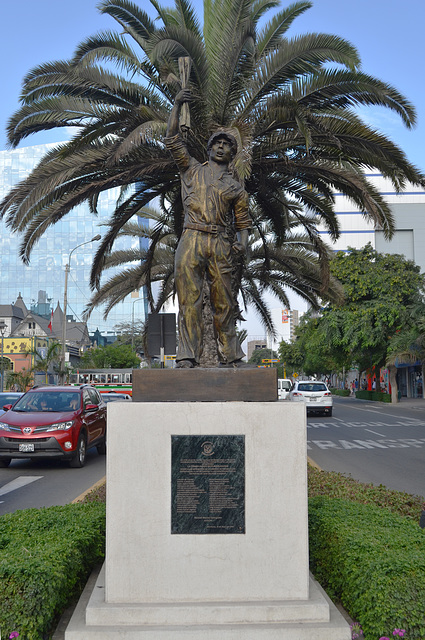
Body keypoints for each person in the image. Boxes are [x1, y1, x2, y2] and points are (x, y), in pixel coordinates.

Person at [165, 89, 252, 368]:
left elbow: (242, 223)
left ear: (232, 154)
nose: (221, 147)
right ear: (209, 148)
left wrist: (243, 242)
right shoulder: (191, 170)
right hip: (190, 236)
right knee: (188, 301)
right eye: (217, 143)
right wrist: (177, 105)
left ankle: (231, 356)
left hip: (219, 244)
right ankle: (187, 356)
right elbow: (172, 139)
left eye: (227, 145)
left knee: (224, 302)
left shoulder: (236, 188)